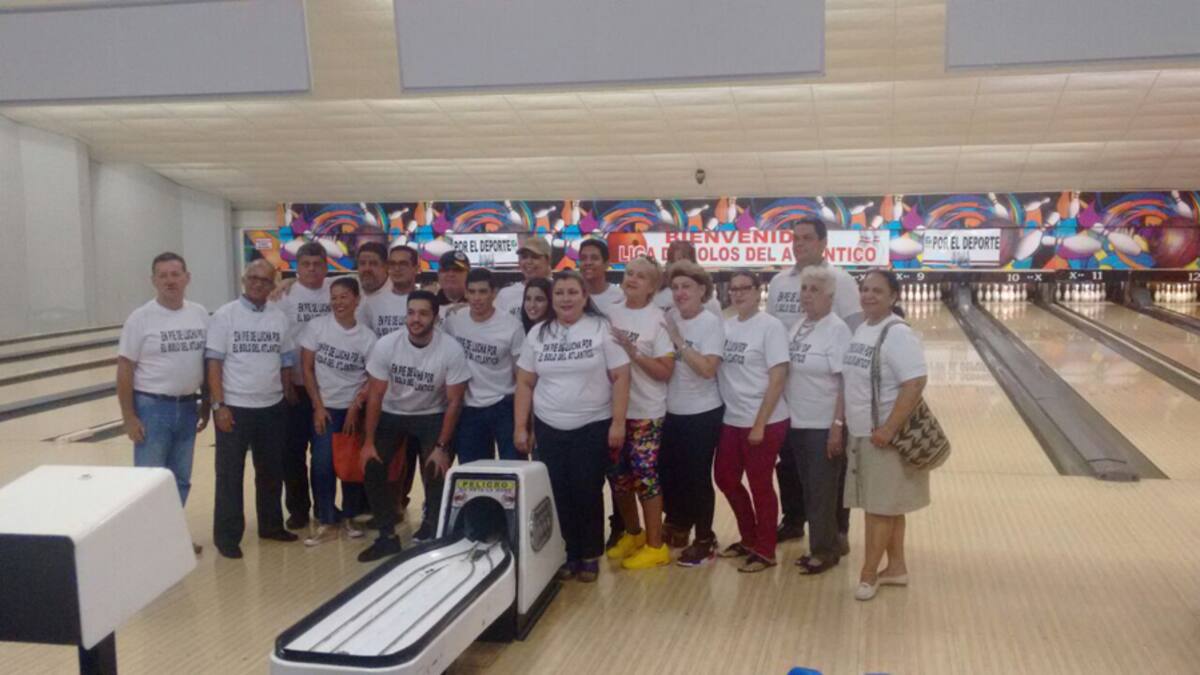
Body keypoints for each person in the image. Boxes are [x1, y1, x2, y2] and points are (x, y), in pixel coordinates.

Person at [514, 270, 630, 583]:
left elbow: (621, 376)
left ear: (584, 297)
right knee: (558, 491)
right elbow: (525, 382)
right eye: (560, 293)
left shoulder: (601, 329)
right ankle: (569, 552)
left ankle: (590, 554)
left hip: (592, 423)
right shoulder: (538, 334)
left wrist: (618, 422)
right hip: (549, 425)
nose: (566, 299)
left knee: (587, 489)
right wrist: (521, 426)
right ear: (552, 299)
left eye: (572, 292)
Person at [767, 219, 863, 547]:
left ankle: (838, 529)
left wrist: (843, 413)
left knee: (830, 470)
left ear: (823, 242)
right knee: (789, 464)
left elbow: (855, 333)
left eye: (807, 238)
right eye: (795, 238)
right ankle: (793, 520)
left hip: (825, 392)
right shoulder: (779, 282)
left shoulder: (842, 281)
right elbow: (771, 331)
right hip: (788, 395)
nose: (799, 243)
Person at [358, 291, 470, 561]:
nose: (415, 319)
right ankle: (387, 536)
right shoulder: (387, 345)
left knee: (435, 468)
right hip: (392, 412)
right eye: (411, 313)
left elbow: (454, 401)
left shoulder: (450, 349)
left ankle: (431, 526)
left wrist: (441, 447)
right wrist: (369, 442)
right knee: (372, 465)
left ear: (435, 318)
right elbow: (375, 396)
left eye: (423, 313)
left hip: (432, 413)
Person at [841, 269, 929, 601]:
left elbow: (915, 382)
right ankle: (896, 568)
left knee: (878, 508)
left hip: (884, 438)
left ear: (893, 296)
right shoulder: (864, 328)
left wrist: (889, 428)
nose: (868, 295)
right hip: (862, 433)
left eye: (877, 290)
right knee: (889, 505)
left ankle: (868, 575)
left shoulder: (897, 334)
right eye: (865, 289)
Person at [117, 252, 210, 556]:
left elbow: (205, 361)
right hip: (152, 408)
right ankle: (148, 543)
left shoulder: (199, 313)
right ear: (153, 280)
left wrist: (207, 402)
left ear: (187, 278)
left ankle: (169, 536)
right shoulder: (140, 318)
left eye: (175, 274)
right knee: (149, 480)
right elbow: (125, 368)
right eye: (163, 275)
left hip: (188, 406)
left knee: (180, 478)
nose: (170, 280)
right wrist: (129, 416)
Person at [205, 259, 299, 559]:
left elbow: (285, 360)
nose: (259, 283)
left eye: (265, 280)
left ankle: (271, 525)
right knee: (229, 474)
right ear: (244, 280)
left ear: (273, 285)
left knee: (271, 471)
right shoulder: (225, 315)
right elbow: (214, 363)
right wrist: (218, 405)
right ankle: (227, 536)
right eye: (254, 278)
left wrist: (285, 395)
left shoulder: (278, 317)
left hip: (271, 406)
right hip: (235, 406)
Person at [714, 271, 790, 573]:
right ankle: (749, 538)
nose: (738, 293)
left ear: (759, 291)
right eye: (733, 289)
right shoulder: (726, 326)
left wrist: (760, 423)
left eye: (745, 288)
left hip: (766, 420)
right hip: (732, 418)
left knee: (760, 484)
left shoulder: (771, 327)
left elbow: (778, 378)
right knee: (725, 478)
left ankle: (766, 549)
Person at [604, 257, 675, 570]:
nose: (632, 279)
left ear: (652, 287)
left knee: (645, 477)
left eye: (641, 276)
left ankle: (656, 546)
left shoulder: (658, 320)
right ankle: (634, 534)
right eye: (629, 273)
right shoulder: (611, 314)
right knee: (619, 478)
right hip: (613, 411)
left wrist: (633, 353)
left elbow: (665, 371)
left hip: (646, 411)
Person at [298, 277, 375, 546]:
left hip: (353, 411)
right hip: (326, 409)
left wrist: (356, 406)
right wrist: (318, 406)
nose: (338, 302)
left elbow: (372, 377)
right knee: (322, 464)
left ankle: (351, 517)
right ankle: (327, 520)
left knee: (351, 466)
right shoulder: (317, 327)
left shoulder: (367, 337)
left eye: (344, 297)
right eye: (334, 297)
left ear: (357, 300)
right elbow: (307, 368)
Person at [658, 260, 725, 567]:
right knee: (672, 475)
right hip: (671, 411)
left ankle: (705, 539)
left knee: (698, 478)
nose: (680, 292)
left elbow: (708, 369)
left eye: (686, 286)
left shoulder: (710, 322)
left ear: (702, 290)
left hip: (703, 413)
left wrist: (679, 341)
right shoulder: (670, 316)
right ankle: (680, 526)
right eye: (675, 287)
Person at [786, 266, 852, 575]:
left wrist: (837, 426)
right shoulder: (800, 324)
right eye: (804, 288)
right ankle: (826, 544)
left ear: (829, 297)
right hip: (798, 422)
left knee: (822, 491)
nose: (807, 295)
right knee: (810, 489)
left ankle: (825, 551)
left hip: (822, 424)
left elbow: (845, 382)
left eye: (814, 290)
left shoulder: (836, 329)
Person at [272, 241, 334, 531]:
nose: (312, 269)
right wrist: (284, 384)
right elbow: (277, 340)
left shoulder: (335, 290)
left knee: (324, 456)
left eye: (317, 264)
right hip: (294, 387)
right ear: (297, 267)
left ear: (326, 266)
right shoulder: (283, 295)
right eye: (306, 264)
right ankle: (298, 510)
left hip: (327, 389)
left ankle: (325, 507)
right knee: (292, 452)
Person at [444, 268, 525, 462]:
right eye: (472, 292)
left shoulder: (512, 326)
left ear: (493, 293)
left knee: (513, 466)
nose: (477, 298)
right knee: (472, 469)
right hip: (468, 406)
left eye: (482, 292)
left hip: (504, 404)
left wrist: (523, 421)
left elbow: (521, 375)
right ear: (465, 293)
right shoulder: (454, 322)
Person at [362, 244, 419, 337]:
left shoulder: (427, 302)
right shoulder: (371, 304)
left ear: (416, 268)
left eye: (403, 264)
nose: (397, 269)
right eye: (392, 264)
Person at [653, 241, 721, 316]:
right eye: (673, 261)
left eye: (683, 260)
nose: (679, 266)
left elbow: (717, 322)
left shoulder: (707, 299)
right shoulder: (658, 294)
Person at [496, 237, 552, 317]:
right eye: (524, 257)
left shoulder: (559, 291)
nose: (529, 262)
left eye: (535, 257)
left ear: (548, 260)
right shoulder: (506, 294)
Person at [577, 238, 624, 313]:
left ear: (606, 264)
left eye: (594, 258)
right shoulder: (572, 297)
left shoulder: (621, 297)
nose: (588, 263)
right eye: (583, 258)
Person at [435, 250, 470, 318]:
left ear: (468, 275)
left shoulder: (479, 305)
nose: (451, 274)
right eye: (445, 270)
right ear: (438, 275)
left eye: (457, 270)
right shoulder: (429, 306)